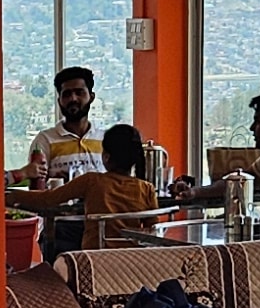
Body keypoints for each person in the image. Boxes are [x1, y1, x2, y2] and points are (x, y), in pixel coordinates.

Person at [14, 125, 164, 255]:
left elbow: (48, 199)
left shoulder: (92, 181)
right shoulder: (147, 188)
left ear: (106, 157)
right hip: (130, 262)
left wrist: (12, 196)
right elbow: (153, 232)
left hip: (94, 260)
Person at [17, 66, 107, 187]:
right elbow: (36, 188)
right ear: (59, 100)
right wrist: (52, 181)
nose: (73, 99)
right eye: (67, 94)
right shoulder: (45, 140)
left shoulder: (105, 140)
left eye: (79, 93)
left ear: (91, 97)